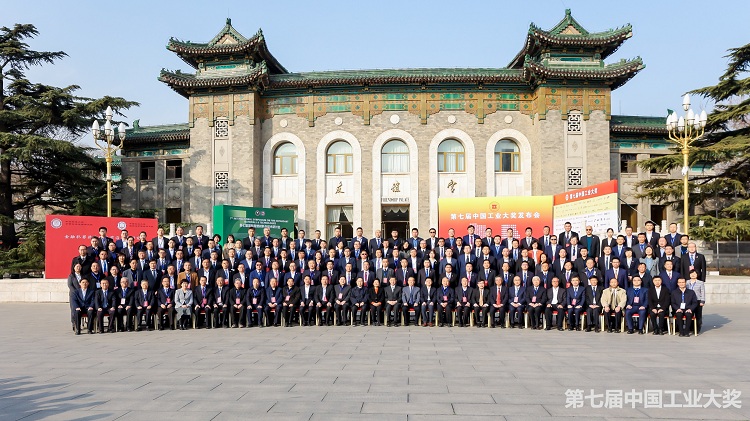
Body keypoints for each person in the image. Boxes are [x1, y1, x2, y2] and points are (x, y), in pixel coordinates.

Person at [686, 270, 706, 334]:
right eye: (691, 273)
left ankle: (697, 329)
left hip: (698, 300)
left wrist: (702, 301)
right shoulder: (687, 282)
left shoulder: (700, 282)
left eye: (694, 274)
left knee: (698, 315)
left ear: (697, 275)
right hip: (689, 301)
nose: (693, 275)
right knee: (690, 315)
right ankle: (691, 328)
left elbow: (702, 292)